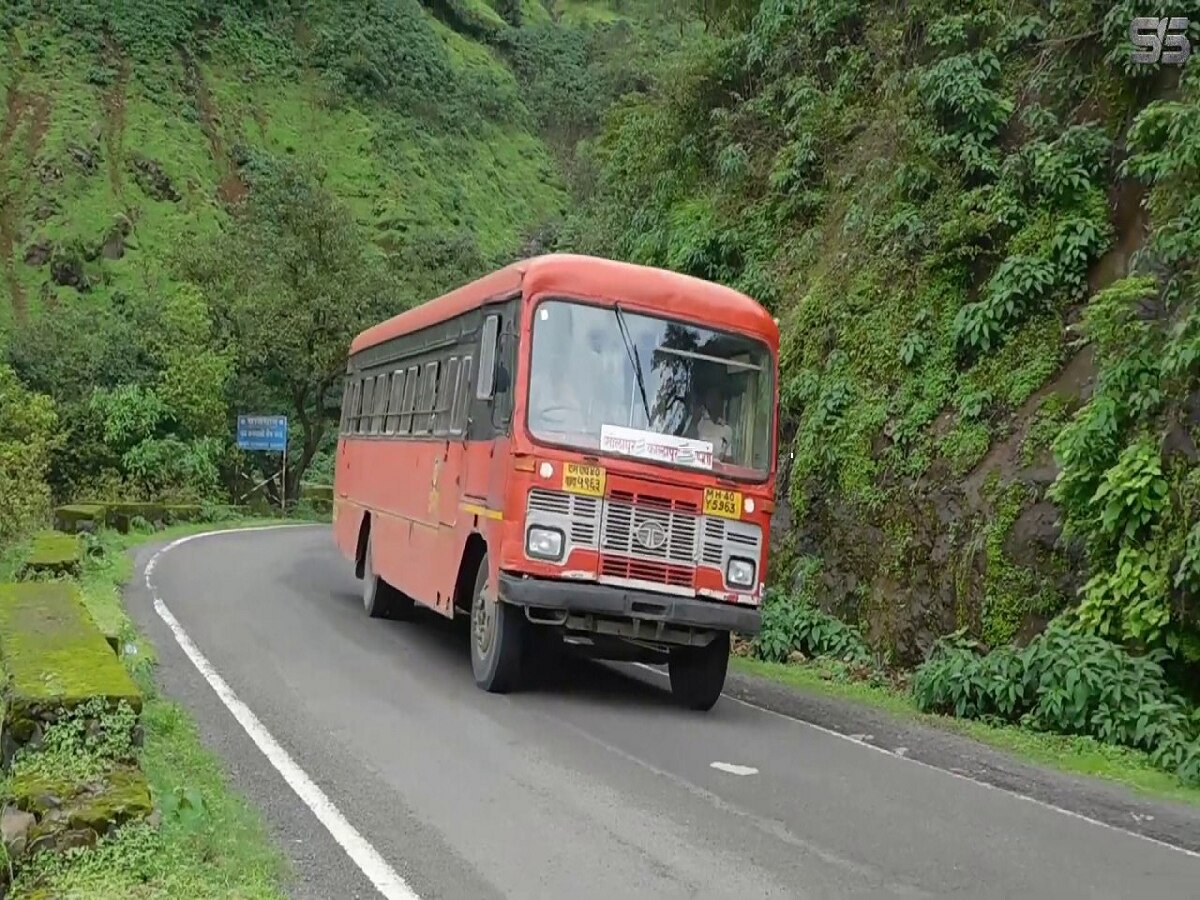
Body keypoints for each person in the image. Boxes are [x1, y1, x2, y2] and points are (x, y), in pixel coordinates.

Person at [690, 385, 733, 461]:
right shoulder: (699, 424)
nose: (714, 404)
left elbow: (728, 460)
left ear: (722, 403)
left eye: (717, 400)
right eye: (711, 400)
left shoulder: (727, 430)